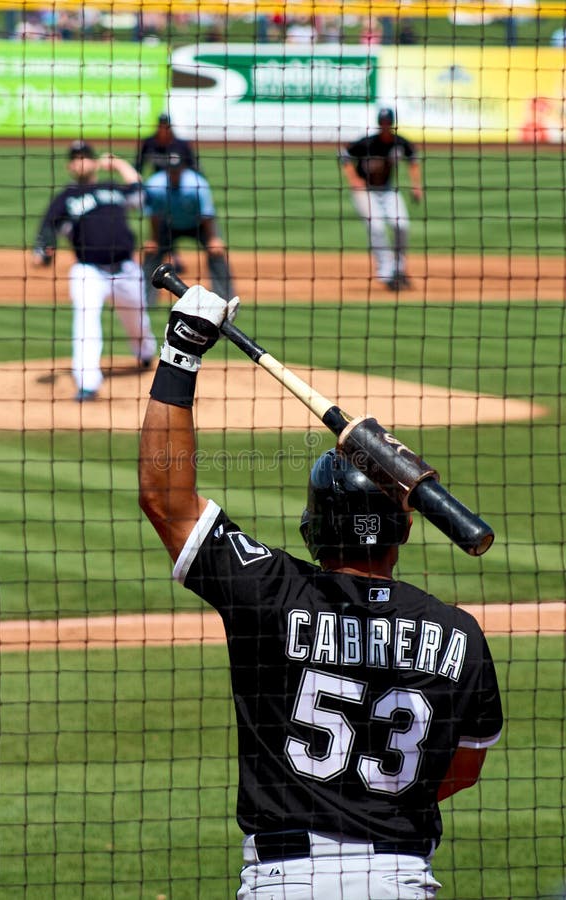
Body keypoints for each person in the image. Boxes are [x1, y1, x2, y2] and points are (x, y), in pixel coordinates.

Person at [138, 285, 504, 899]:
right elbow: (461, 770)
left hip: (287, 880)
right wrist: (365, 794)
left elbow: (165, 502)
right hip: (401, 879)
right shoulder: (458, 634)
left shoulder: (269, 590)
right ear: (407, 524)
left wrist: (182, 352)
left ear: (312, 528)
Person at [32, 140, 157, 401]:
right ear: (69, 165)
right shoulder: (65, 197)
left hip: (126, 270)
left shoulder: (111, 187)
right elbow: (47, 228)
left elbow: (141, 194)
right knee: (86, 323)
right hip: (88, 272)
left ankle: (145, 354)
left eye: (85, 157)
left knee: (138, 321)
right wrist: (43, 250)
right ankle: (87, 382)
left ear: (94, 161)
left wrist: (120, 164)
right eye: (75, 158)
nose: (81, 162)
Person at [341, 107, 423, 291]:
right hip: (365, 192)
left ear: (392, 124)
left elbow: (413, 159)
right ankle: (386, 273)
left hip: (387, 191)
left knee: (401, 225)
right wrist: (354, 179)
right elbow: (344, 154)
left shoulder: (399, 143)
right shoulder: (367, 143)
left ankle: (399, 270)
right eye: (382, 123)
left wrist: (416, 184)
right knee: (376, 227)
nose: (385, 126)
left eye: (387, 123)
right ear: (379, 124)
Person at [142, 153, 235, 306]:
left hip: (198, 225)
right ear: (166, 170)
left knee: (216, 252)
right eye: (171, 171)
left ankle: (225, 299)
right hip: (169, 225)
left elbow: (206, 215)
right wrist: (154, 239)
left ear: (183, 168)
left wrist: (213, 239)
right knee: (151, 254)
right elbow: (154, 215)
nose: (174, 174)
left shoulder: (197, 183)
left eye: (177, 170)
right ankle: (145, 300)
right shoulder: (155, 184)